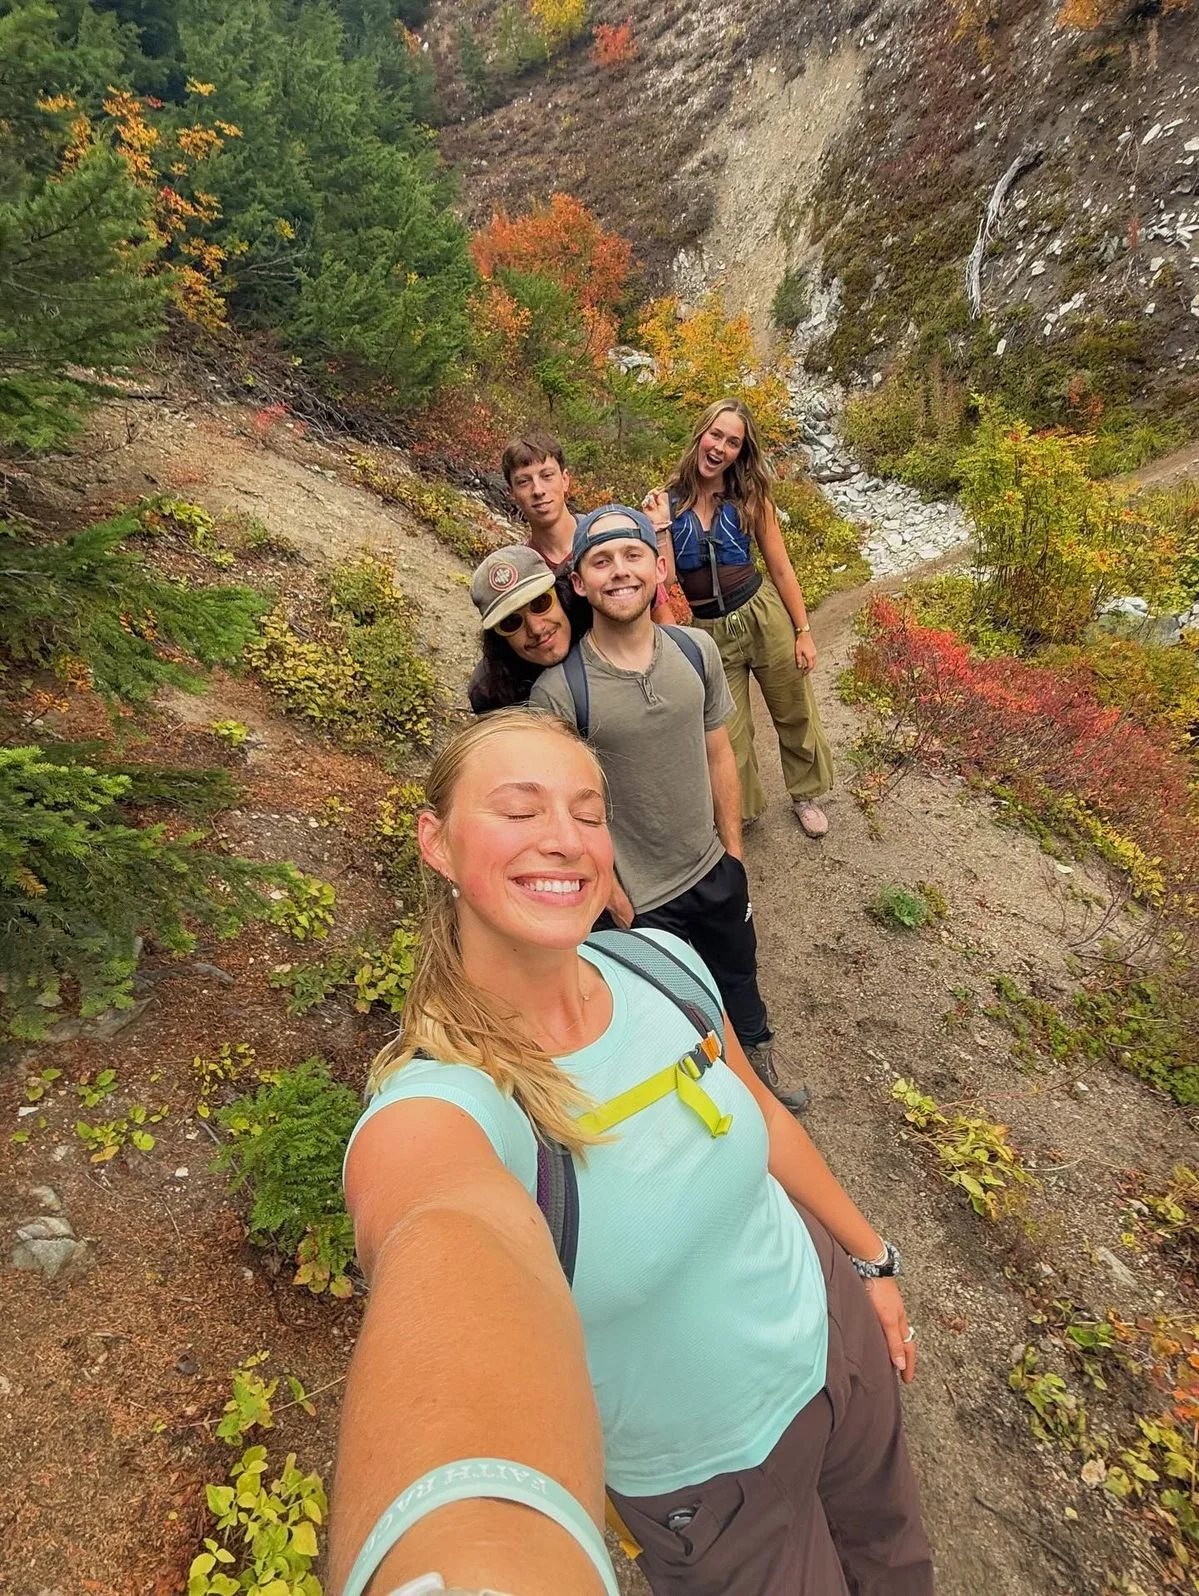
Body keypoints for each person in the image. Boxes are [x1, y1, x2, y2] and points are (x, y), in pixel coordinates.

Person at [331, 710, 932, 1596]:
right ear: (437, 842)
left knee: (897, 1560)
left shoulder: (660, 961)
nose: (564, 841)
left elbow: (760, 1116)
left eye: (586, 811)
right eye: (519, 809)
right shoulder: (447, 1105)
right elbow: (438, 1230)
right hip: (707, 1476)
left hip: (833, 1332)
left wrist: (870, 1259)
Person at [529, 504, 806, 1115]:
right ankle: (701, 1099)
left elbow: (720, 755)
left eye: (631, 556)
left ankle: (758, 1064)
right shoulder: (559, 692)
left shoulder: (695, 649)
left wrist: (732, 854)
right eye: (599, 561)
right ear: (578, 582)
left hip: (712, 868)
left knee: (740, 976)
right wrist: (610, 896)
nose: (618, 571)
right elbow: (563, 812)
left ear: (659, 567)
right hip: (637, 897)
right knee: (666, 1010)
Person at [645, 399, 835, 837]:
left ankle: (805, 794)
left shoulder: (751, 496)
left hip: (761, 611)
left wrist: (803, 631)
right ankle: (741, 808)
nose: (721, 448)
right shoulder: (666, 501)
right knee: (727, 733)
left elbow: (781, 567)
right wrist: (657, 526)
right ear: (700, 435)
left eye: (733, 442)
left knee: (794, 711)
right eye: (716, 435)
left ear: (740, 452)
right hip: (709, 629)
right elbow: (667, 577)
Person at [466, 546, 592, 714]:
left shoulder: (600, 620)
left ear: (561, 594)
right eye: (511, 622)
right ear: (498, 637)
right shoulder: (491, 695)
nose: (536, 629)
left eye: (540, 603)